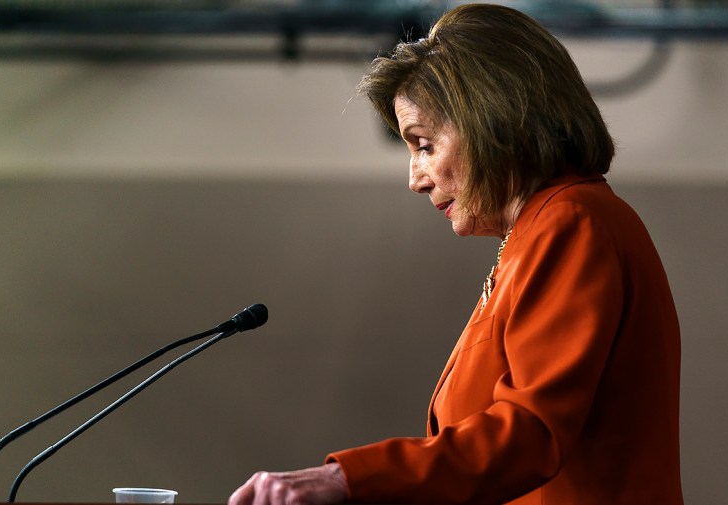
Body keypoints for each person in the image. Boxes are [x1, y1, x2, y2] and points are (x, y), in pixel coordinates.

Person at [229, 3, 682, 504]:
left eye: (423, 145)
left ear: (495, 119)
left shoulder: (570, 221)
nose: (414, 180)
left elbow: (529, 431)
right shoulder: (539, 230)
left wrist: (346, 479)